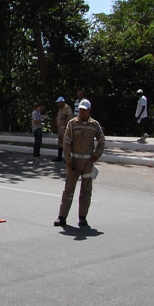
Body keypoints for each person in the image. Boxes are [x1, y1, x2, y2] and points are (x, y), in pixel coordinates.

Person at [54, 99, 105, 229]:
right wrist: (68, 160)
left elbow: (101, 140)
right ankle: (62, 217)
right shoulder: (72, 124)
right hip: (74, 162)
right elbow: (66, 142)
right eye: (80, 109)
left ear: (89, 110)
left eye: (84, 110)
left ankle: (82, 218)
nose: (81, 112)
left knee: (86, 191)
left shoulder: (94, 125)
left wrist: (96, 155)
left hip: (88, 162)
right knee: (69, 190)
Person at [53, 96, 74, 162]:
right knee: (60, 143)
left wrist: (66, 126)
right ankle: (59, 157)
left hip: (65, 129)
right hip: (60, 129)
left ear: (62, 102)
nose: (58, 104)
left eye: (59, 103)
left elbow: (70, 117)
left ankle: (67, 158)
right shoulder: (60, 109)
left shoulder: (67, 108)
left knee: (66, 143)